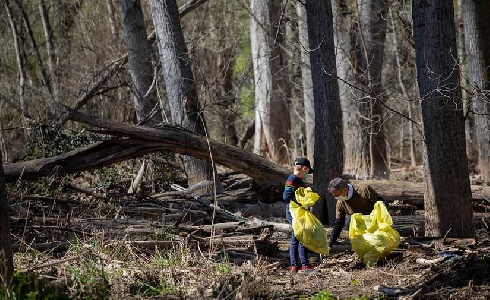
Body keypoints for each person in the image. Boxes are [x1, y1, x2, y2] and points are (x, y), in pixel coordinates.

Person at [327, 177, 388, 249]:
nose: (335, 197)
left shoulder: (363, 189)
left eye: (336, 195)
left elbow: (383, 203)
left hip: (374, 220)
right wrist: (330, 244)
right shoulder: (340, 203)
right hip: (359, 225)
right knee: (349, 222)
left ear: (344, 190)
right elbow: (338, 223)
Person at [283, 157, 318, 273]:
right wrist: (301, 201)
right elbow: (286, 196)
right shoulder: (293, 180)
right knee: (301, 236)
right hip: (294, 212)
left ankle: (295, 265)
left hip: (297, 211)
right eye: (307, 171)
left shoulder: (297, 180)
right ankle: (304, 265)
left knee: (296, 237)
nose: (307, 174)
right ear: (304, 168)